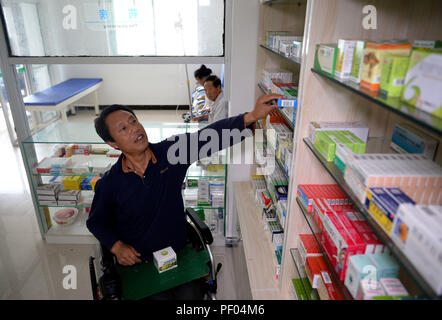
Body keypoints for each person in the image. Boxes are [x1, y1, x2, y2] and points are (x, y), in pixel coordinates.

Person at [86, 93, 284, 299]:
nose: (135, 128)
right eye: (124, 129)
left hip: (178, 253)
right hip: (141, 263)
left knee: (192, 297)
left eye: (133, 121)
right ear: (113, 143)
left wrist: (250, 117)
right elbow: (96, 222)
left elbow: (206, 138)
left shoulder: (170, 154)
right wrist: (116, 246)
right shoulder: (110, 183)